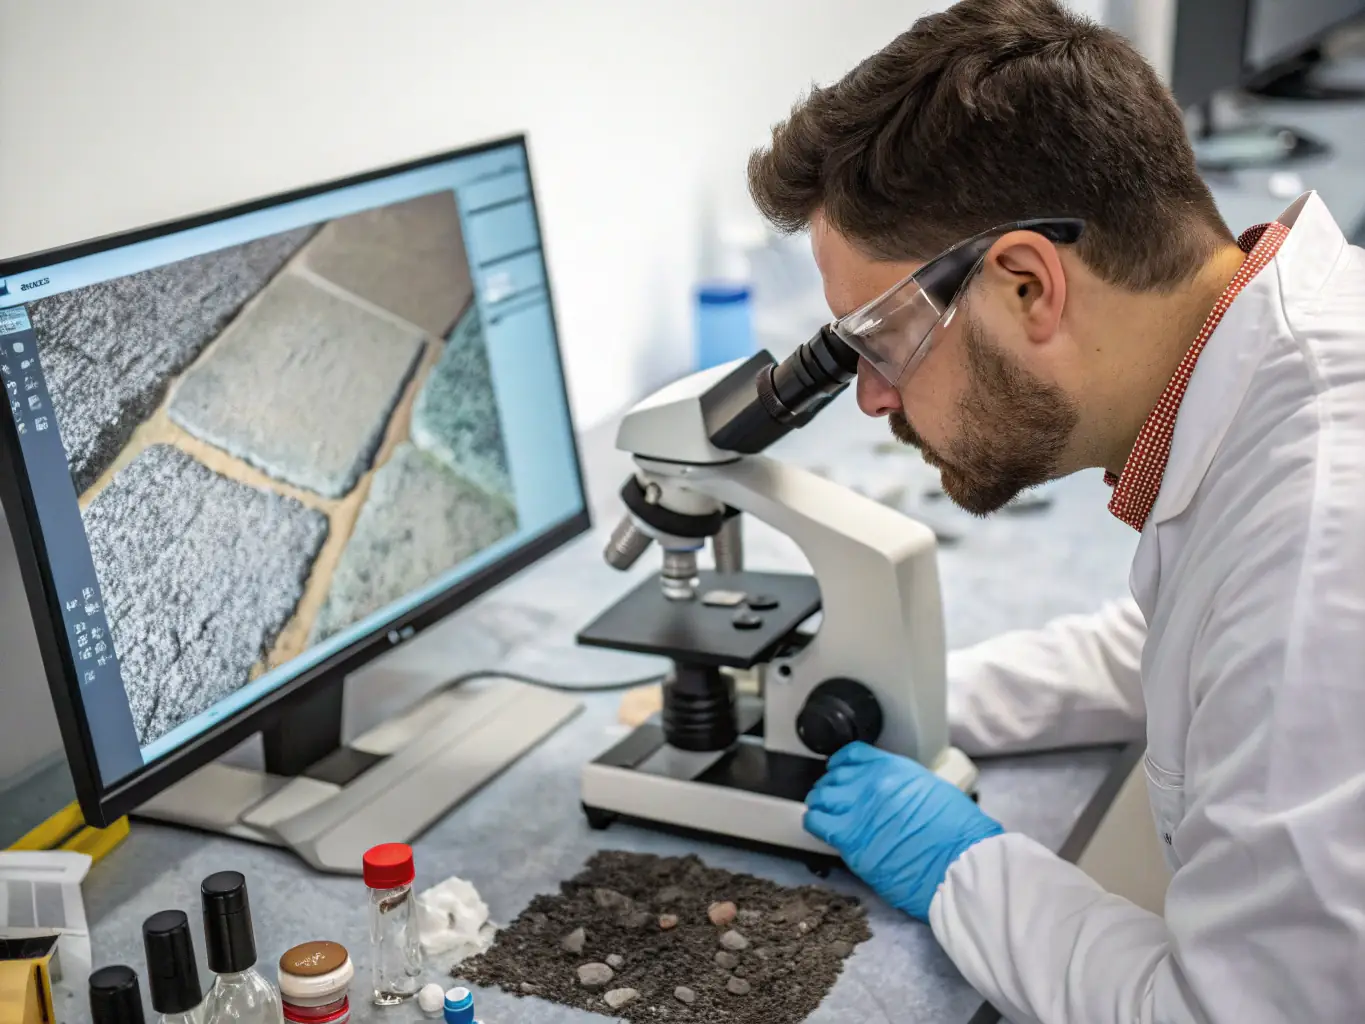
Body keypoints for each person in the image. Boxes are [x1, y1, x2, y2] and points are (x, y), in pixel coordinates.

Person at [745, 0, 1365, 1021]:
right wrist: (913, 699)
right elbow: (1189, 642)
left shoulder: (1316, 540)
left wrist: (965, 868)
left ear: (1029, 286)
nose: (872, 398)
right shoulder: (1275, 373)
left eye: (879, 343)